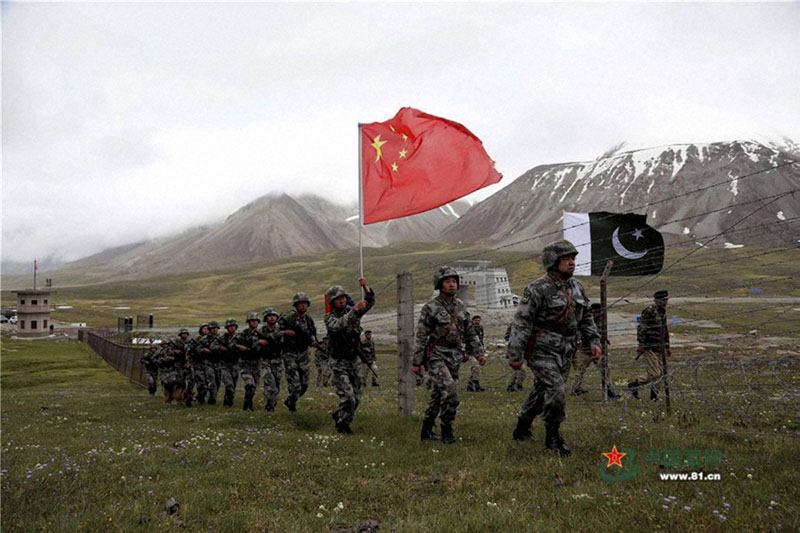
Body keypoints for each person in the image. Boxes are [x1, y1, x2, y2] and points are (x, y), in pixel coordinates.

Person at [507, 240, 601, 457]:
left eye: (573, 258)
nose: (572, 263)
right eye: (566, 259)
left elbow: (585, 318)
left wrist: (594, 341)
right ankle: (553, 437)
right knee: (556, 390)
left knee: (541, 391)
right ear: (553, 261)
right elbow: (522, 323)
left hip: (566, 351)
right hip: (542, 351)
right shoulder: (536, 289)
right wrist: (515, 354)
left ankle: (522, 427)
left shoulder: (577, 287)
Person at [413, 266, 485, 444]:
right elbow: (421, 336)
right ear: (439, 284)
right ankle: (447, 431)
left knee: (438, 394)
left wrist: (478, 353)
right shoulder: (430, 308)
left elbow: (469, 331)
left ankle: (426, 431)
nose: (452, 285)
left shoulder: (460, 305)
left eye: (454, 281)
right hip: (436, 355)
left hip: (454, 356)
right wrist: (417, 361)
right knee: (450, 392)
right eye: (447, 281)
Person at [325, 278, 375, 434]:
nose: (341, 301)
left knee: (357, 396)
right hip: (339, 362)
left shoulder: (350, 311)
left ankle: (340, 415)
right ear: (332, 302)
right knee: (348, 397)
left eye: (343, 298)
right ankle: (342, 425)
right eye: (338, 299)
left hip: (353, 359)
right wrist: (355, 311)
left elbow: (370, 302)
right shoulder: (329, 317)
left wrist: (365, 287)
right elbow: (339, 325)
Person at [629, 290, 670, 401]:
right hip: (650, 346)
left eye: (666, 300)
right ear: (656, 300)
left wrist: (667, 345)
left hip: (660, 346)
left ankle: (654, 395)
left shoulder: (663, 312)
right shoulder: (649, 311)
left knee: (662, 373)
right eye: (662, 300)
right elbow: (642, 328)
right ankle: (635, 383)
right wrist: (641, 344)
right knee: (655, 373)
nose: (665, 302)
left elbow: (664, 329)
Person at [278, 292, 317, 412]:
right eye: (301, 303)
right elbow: (273, 333)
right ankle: (292, 406)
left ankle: (290, 401)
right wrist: (285, 333)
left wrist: (313, 342)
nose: (303, 306)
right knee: (295, 384)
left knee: (304, 384)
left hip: (303, 353)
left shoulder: (308, 319)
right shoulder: (287, 318)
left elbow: (311, 334)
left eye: (305, 303)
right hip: (290, 352)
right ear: (296, 305)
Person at [570, 304, 618, 398]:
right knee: (580, 371)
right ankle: (575, 389)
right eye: (598, 312)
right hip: (586, 350)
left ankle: (609, 390)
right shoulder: (585, 321)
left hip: (598, 350)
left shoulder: (601, 320)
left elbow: (600, 332)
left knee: (605, 370)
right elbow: (579, 333)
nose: (600, 314)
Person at [257, 308, 284, 411]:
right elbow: (253, 345)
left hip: (277, 361)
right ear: (266, 318)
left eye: (274, 316)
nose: (272, 318)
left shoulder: (280, 330)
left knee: (276, 385)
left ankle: (271, 404)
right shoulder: (261, 331)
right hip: (265, 361)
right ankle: (269, 407)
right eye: (269, 316)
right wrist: (259, 342)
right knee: (270, 384)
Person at [237, 313, 263, 411]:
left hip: (256, 363)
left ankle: (248, 403)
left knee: (254, 387)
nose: (254, 322)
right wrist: (239, 347)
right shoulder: (243, 334)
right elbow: (233, 344)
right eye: (252, 321)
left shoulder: (261, 334)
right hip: (245, 363)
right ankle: (248, 405)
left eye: (256, 321)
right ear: (248, 322)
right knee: (249, 383)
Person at [217, 318, 243, 407]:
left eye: (233, 326)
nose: (231, 328)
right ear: (227, 328)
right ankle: (227, 403)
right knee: (228, 383)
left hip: (235, 363)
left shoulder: (240, 337)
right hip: (224, 364)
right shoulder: (221, 338)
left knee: (233, 384)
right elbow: (213, 346)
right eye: (230, 326)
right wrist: (219, 348)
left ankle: (229, 401)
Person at [197, 321, 222, 405]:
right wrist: (203, 350)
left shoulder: (221, 338)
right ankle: (211, 399)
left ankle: (213, 396)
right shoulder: (204, 339)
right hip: (208, 363)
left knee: (218, 381)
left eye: (216, 328)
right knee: (211, 382)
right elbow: (197, 349)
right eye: (213, 329)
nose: (215, 330)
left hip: (218, 362)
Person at [188, 323, 210, 404]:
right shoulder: (196, 340)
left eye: (208, 328)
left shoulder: (212, 339)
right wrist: (189, 362)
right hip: (198, 364)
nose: (206, 330)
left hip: (208, 364)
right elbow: (189, 351)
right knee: (201, 383)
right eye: (204, 328)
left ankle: (201, 397)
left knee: (209, 383)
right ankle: (200, 398)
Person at [465, 316, 485, 392]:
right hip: (470, 351)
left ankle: (471, 385)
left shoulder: (480, 328)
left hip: (478, 351)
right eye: (476, 320)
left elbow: (481, 340)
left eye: (479, 320)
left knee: (475, 369)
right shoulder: (469, 329)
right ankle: (476, 384)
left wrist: (482, 350)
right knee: (475, 367)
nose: (477, 322)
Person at [505, 324, 525, 392]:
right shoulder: (512, 326)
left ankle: (513, 385)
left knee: (518, 370)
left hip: (520, 351)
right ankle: (516, 385)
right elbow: (507, 337)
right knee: (520, 370)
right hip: (514, 351)